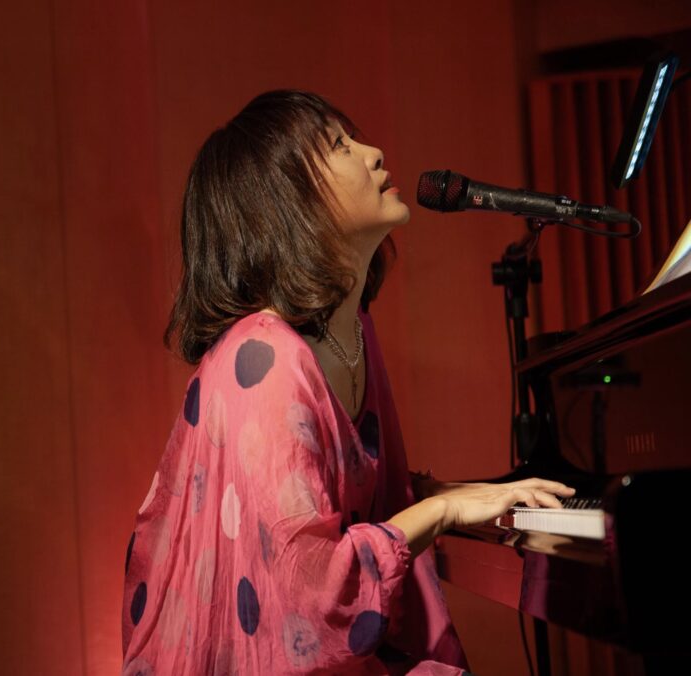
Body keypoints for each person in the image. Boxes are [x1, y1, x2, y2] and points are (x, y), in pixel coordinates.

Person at [120, 90, 574, 675]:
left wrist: (461, 495)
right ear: (287, 201)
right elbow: (312, 588)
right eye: (340, 145)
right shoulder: (262, 357)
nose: (373, 153)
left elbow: (362, 499)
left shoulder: (353, 327)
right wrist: (444, 510)